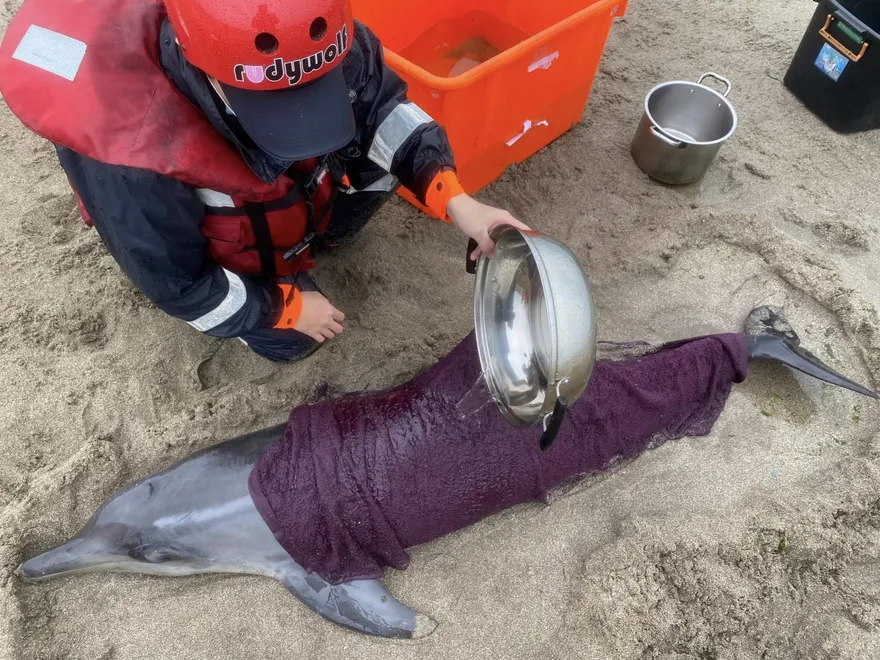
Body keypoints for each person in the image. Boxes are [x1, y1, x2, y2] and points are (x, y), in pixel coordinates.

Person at [0, 0, 528, 362]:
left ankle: (322, 233)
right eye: (275, 106)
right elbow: (180, 285)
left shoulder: (315, 31)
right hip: (206, 220)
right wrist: (286, 307)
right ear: (204, 69)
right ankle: (282, 280)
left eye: (314, 91)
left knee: (379, 159)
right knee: (294, 342)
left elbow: (382, 110)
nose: (302, 118)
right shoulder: (131, 159)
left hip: (277, 182)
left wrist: (455, 198)